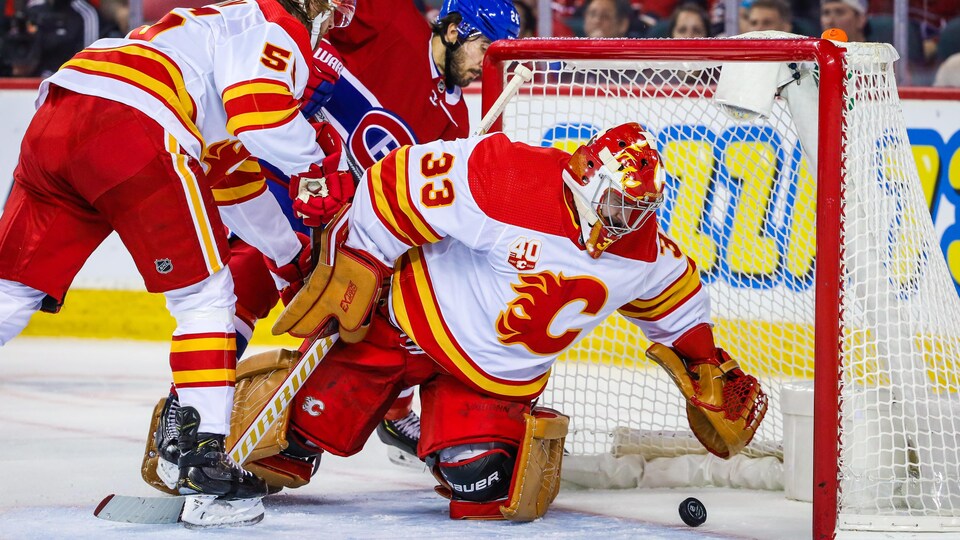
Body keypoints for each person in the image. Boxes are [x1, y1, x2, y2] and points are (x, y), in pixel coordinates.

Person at [227, 123, 769, 521]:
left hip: (490, 380)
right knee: (285, 448)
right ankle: (211, 431)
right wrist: (364, 259)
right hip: (406, 326)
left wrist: (706, 364)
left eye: (638, 210)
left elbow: (681, 305)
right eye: (616, 204)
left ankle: (448, 438)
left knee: (484, 483)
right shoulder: (508, 180)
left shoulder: (645, 255)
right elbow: (394, 182)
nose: (625, 221)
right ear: (585, 178)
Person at [0, 0, 355, 527]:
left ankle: (190, 450)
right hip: (131, 121)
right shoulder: (272, 25)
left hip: (62, 107)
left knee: (12, 292)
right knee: (205, 298)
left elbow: (234, 183)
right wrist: (318, 169)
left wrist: (289, 260)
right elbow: (260, 113)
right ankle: (203, 467)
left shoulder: (208, 30)